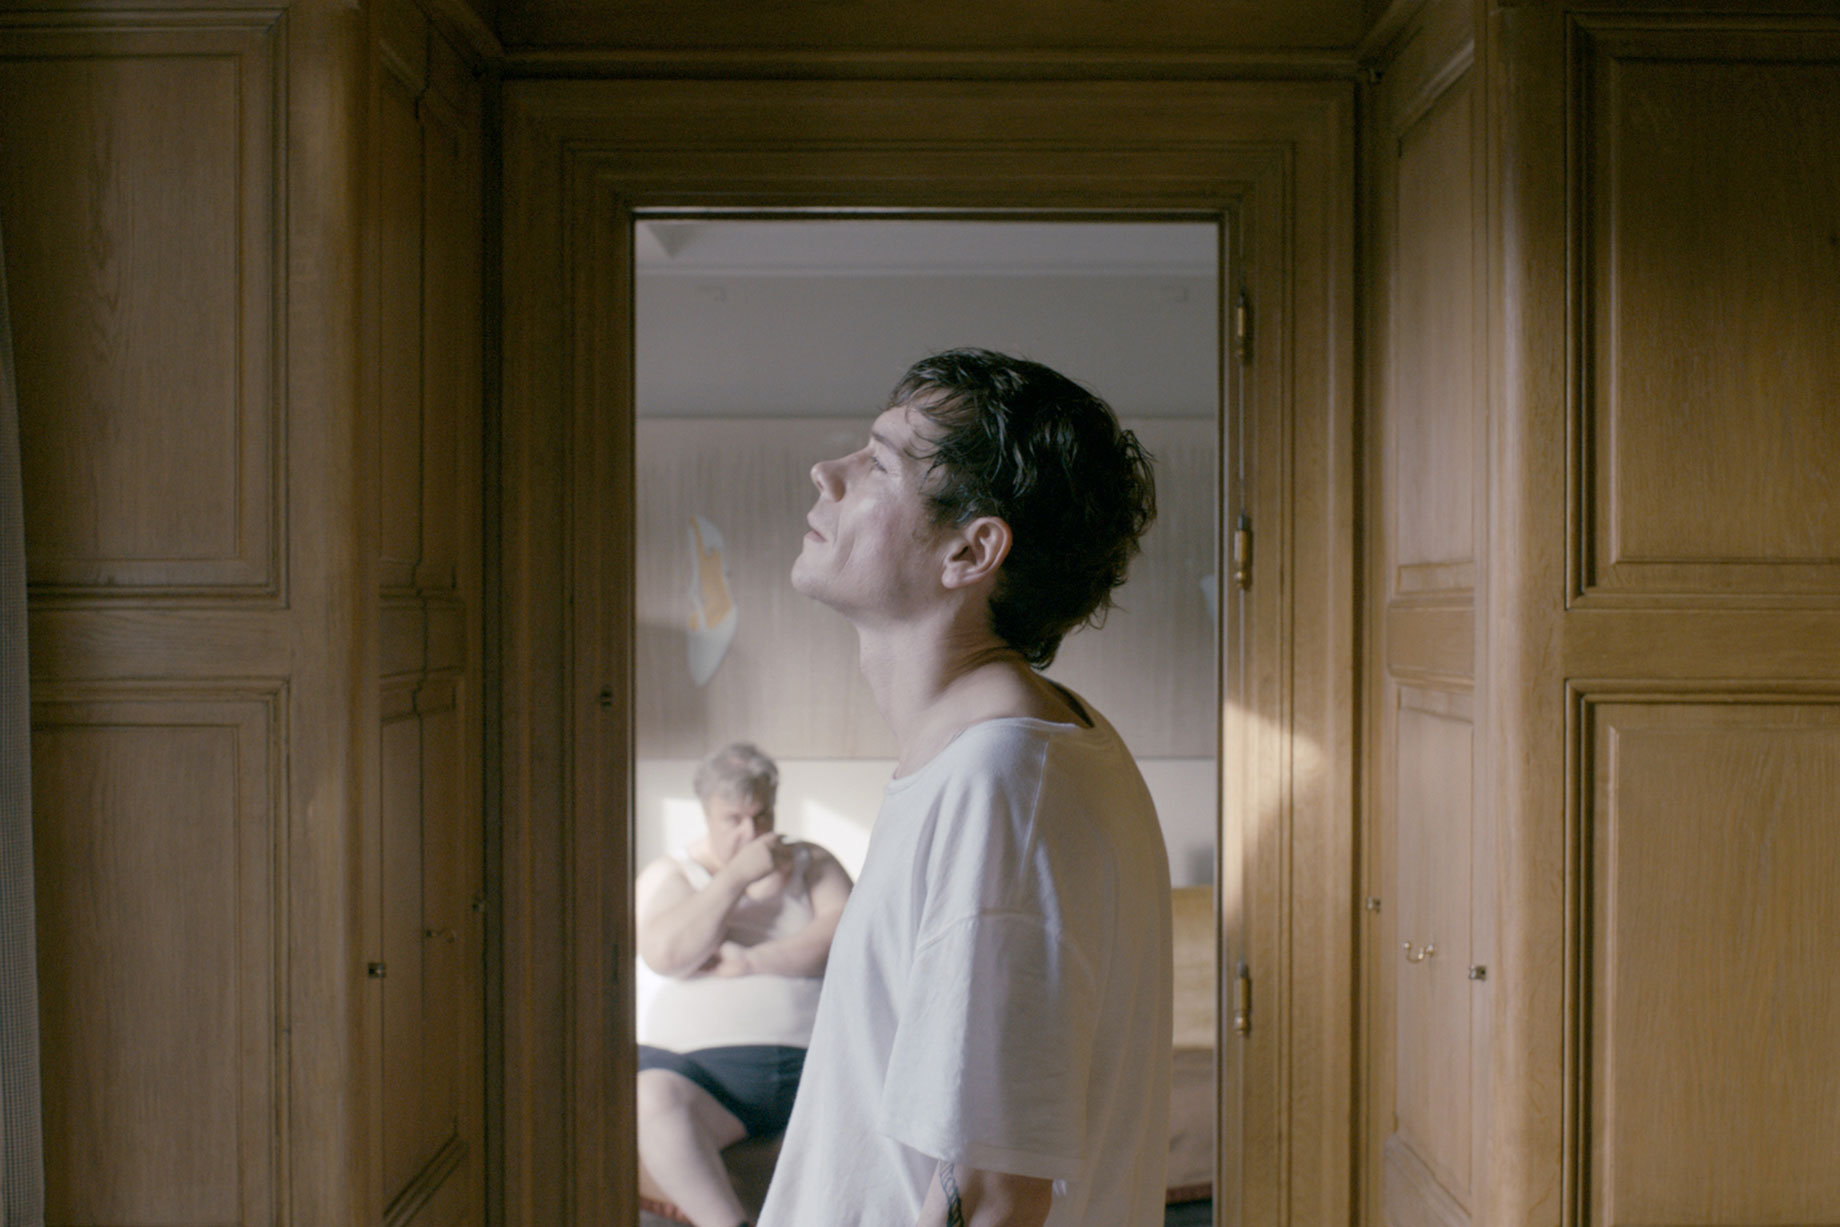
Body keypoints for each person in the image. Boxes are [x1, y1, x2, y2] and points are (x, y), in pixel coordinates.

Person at [759, 348, 1171, 1227]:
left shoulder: (1003, 784)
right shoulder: (999, 756)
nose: (827, 472)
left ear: (971, 549)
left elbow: (992, 1198)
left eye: (879, 464)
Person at [635, 742, 854, 1227]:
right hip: (706, 1079)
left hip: (815, 1067)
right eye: (733, 819)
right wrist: (735, 877)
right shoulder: (672, 873)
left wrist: (752, 961)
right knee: (648, 1097)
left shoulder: (812, 861)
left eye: (762, 815)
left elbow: (849, 936)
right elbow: (666, 953)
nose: (751, 833)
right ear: (707, 813)